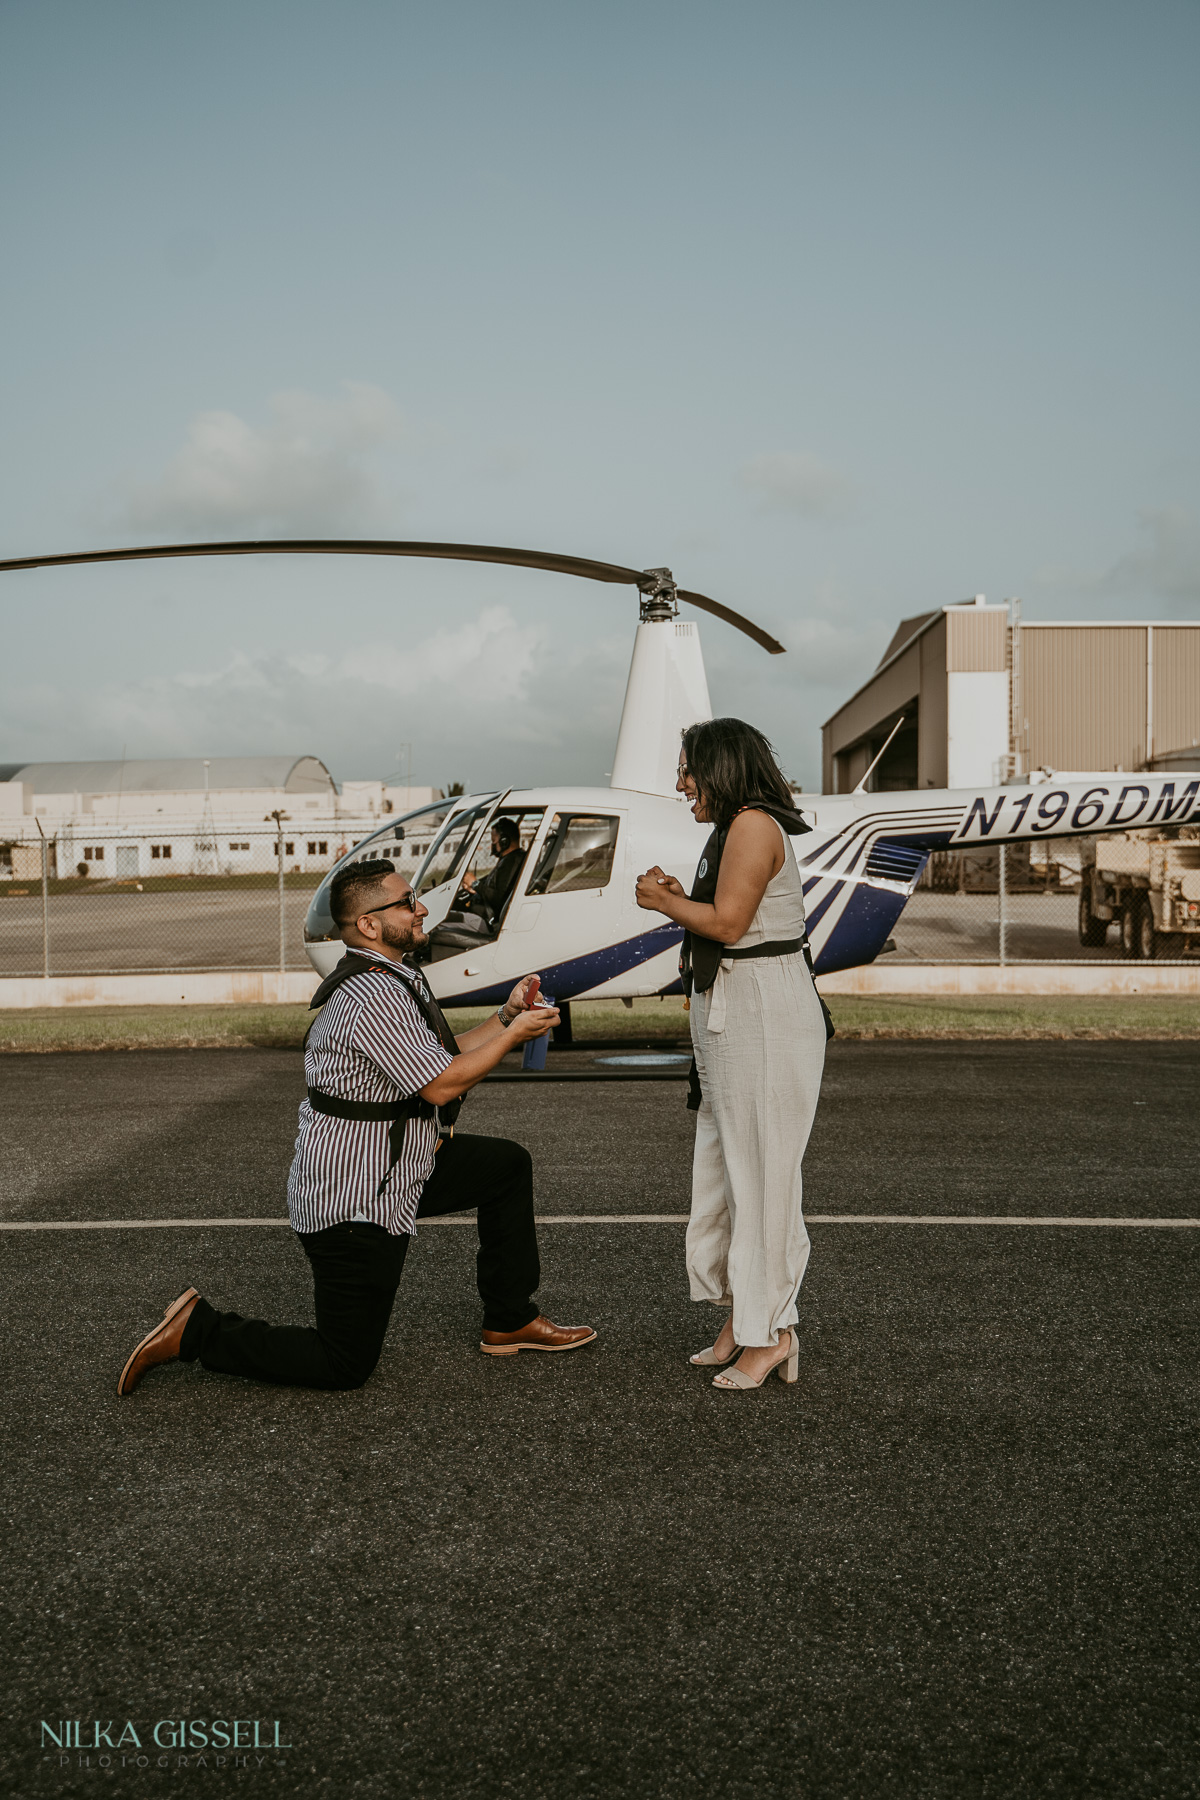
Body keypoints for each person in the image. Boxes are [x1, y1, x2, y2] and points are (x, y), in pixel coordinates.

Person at [118, 857, 596, 1395]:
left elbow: (441, 1055)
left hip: (401, 1166)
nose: (421, 910)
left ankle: (509, 1319)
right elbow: (441, 1085)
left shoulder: (394, 976)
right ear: (369, 924)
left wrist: (507, 1016)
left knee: (505, 1166)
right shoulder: (371, 996)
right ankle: (197, 1331)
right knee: (344, 1363)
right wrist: (514, 1038)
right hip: (355, 1196)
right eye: (407, 901)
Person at [635, 718, 828, 1392]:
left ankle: (770, 1334)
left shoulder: (751, 825)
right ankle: (743, 1316)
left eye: (687, 768)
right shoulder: (735, 827)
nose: (681, 781)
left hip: (765, 1013)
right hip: (736, 1009)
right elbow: (723, 914)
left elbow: (727, 925)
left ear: (719, 767)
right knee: (726, 1169)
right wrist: (679, 896)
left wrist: (665, 902)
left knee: (763, 1176)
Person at [459, 816, 525, 928]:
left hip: (489, 920)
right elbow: (493, 884)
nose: (492, 845)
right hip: (484, 913)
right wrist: (474, 887)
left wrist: (475, 884)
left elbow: (499, 899)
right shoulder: (509, 859)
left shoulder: (511, 862)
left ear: (504, 841)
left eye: (493, 840)